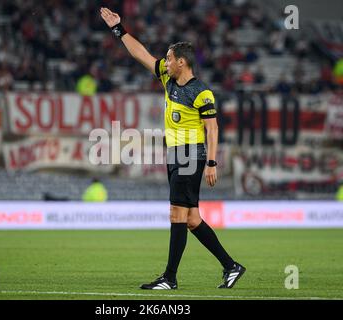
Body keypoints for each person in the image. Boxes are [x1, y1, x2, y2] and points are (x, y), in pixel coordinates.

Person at [100, 7, 245, 290]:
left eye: (168, 58)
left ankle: (169, 278)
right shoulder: (168, 78)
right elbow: (140, 54)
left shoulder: (201, 92)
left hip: (192, 155)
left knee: (176, 214)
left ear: (181, 62)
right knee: (191, 219)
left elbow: (212, 128)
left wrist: (212, 162)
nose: (163, 62)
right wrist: (119, 30)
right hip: (175, 155)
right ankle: (231, 266)